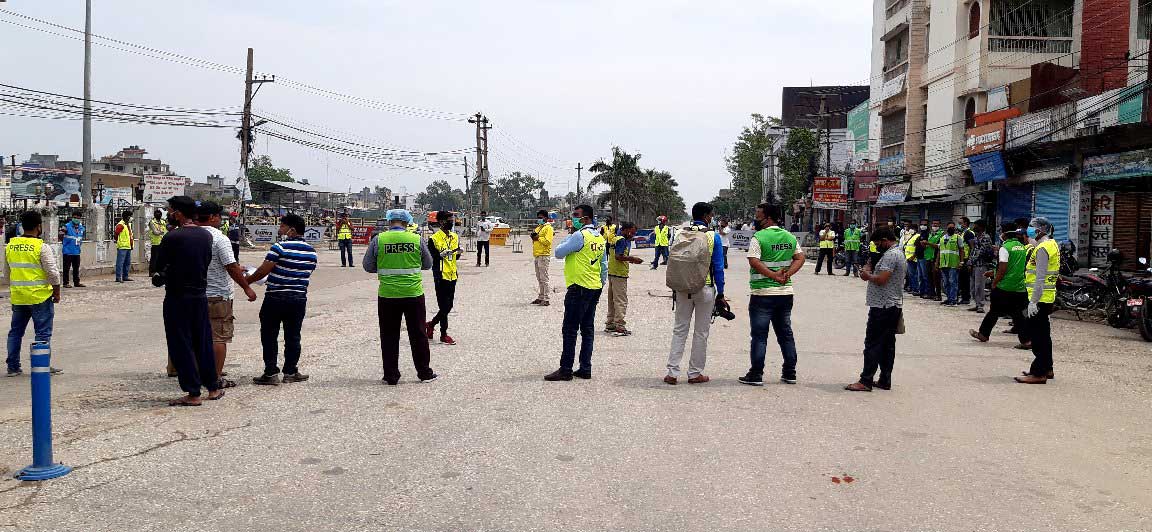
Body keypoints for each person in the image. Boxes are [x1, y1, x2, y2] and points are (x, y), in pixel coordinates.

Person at [154, 196, 222, 406]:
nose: (169, 213)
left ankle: (193, 392)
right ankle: (212, 387)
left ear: (178, 213)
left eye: (171, 210)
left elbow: (158, 269)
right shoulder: (206, 236)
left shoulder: (172, 237)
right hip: (200, 294)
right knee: (203, 341)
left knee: (181, 343)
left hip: (177, 296)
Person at [363, 209, 437, 385]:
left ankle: (391, 376)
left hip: (388, 295)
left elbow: (368, 266)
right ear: (407, 222)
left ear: (389, 221)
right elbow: (428, 265)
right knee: (418, 334)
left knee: (389, 335)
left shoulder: (378, 240)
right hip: (413, 294)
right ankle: (424, 373)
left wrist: (384, 267)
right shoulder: (416, 239)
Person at [245, 214, 317, 386]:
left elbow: (263, 270)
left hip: (275, 297)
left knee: (269, 335)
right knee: (293, 336)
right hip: (298, 298)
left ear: (292, 229)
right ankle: (290, 371)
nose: (280, 229)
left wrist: (246, 281)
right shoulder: (311, 251)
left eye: (283, 226)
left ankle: (270, 373)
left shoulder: (279, 247)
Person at [740, 203, 804, 386]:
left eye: (758, 215)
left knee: (760, 335)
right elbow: (800, 257)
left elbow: (753, 260)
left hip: (762, 294)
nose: (756, 218)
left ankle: (756, 374)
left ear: (768, 217)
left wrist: (772, 275)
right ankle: (790, 372)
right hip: (785, 293)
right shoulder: (789, 236)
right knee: (785, 333)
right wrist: (787, 274)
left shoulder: (759, 237)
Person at [195, 201, 258, 389]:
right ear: (213, 217)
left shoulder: (188, 235)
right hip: (218, 294)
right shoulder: (219, 238)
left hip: (195, 293)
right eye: (219, 216)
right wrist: (246, 287)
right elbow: (230, 266)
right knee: (218, 337)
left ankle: (198, 373)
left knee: (198, 336)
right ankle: (214, 379)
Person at [664, 202, 726, 385]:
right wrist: (721, 293)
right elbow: (718, 267)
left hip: (683, 288)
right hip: (705, 288)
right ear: (707, 216)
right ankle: (694, 373)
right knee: (701, 332)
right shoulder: (712, 236)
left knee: (679, 329)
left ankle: (672, 373)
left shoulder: (679, 233)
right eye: (711, 215)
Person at [544, 204, 607, 381]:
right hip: (594, 287)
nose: (574, 218)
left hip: (578, 287)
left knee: (570, 329)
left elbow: (558, 252)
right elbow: (604, 266)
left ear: (585, 218)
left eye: (576, 215)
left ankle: (566, 369)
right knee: (587, 330)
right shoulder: (599, 238)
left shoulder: (579, 236)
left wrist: (570, 235)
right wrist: (601, 285)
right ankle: (585, 367)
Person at [845, 226, 906, 392]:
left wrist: (867, 276)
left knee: (873, 343)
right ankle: (885, 379)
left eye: (878, 243)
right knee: (887, 345)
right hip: (891, 305)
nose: (877, 246)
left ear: (885, 240)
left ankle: (865, 380)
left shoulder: (891, 255)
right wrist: (870, 265)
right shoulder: (894, 253)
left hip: (883, 306)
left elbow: (881, 279)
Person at [5, 211, 63, 377]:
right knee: (42, 332)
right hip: (40, 297)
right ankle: (41, 365)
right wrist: (57, 292)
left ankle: (13, 367)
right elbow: (52, 273)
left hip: (18, 297)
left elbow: (7, 273)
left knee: (15, 332)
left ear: (22, 226)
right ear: (39, 227)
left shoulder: (10, 245)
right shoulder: (41, 247)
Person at [970, 224, 1031, 347]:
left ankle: (983, 334)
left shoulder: (1005, 247)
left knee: (994, 311)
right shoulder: (1022, 247)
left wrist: (995, 281)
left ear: (1004, 233)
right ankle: (1026, 341)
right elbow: (1015, 267)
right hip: (1019, 286)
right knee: (1019, 314)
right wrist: (993, 272)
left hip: (1004, 286)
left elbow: (1003, 268)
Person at [1015, 217, 1060, 384]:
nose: (1029, 230)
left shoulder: (1042, 248)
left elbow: (1040, 277)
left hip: (1039, 299)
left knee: (1038, 337)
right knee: (1044, 335)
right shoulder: (1052, 244)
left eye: (1032, 228)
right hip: (1046, 297)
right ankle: (1047, 368)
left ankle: (1038, 373)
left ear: (1041, 230)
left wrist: (1033, 302)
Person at [426, 211, 462, 346]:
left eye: (452, 219)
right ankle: (443, 334)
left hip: (452, 273)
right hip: (440, 274)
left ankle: (431, 324)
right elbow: (431, 258)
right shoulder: (434, 239)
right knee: (444, 306)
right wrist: (440, 254)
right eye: (449, 219)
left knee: (449, 305)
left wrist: (458, 253)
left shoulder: (454, 237)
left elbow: (455, 257)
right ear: (441, 222)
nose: (451, 222)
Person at [605, 222, 644, 336]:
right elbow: (618, 256)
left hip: (612, 272)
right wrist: (632, 258)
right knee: (621, 301)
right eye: (632, 232)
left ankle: (610, 323)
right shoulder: (622, 240)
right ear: (626, 230)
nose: (633, 235)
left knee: (612, 300)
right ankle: (620, 326)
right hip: (619, 274)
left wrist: (629, 259)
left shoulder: (615, 238)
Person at [966, 220, 994, 313]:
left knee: (979, 285)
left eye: (976, 225)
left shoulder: (985, 237)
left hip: (981, 264)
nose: (974, 227)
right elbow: (973, 250)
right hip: (974, 265)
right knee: (973, 286)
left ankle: (980, 305)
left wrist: (972, 261)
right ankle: (976, 303)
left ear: (981, 227)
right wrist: (970, 262)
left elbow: (981, 252)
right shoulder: (977, 237)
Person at [530, 210, 555, 306]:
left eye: (541, 217)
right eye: (538, 217)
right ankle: (541, 296)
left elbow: (547, 241)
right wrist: (533, 236)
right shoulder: (539, 227)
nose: (539, 219)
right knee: (539, 277)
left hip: (544, 255)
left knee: (544, 278)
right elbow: (535, 236)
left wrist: (538, 238)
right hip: (537, 254)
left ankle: (546, 298)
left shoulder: (548, 228)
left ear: (546, 218)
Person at [938, 222, 963, 306]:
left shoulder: (957, 237)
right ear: (947, 227)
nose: (951, 229)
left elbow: (961, 250)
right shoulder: (942, 238)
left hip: (953, 263)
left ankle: (953, 299)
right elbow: (939, 250)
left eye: (953, 227)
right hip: (943, 263)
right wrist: (936, 262)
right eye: (950, 227)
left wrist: (961, 262)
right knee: (946, 282)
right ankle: (949, 298)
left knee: (953, 282)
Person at [61, 210, 85, 288]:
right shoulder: (67, 226)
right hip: (67, 251)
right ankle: (65, 283)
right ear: (72, 218)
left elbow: (80, 238)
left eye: (78, 218)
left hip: (76, 251)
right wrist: (65, 243)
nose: (76, 219)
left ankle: (76, 282)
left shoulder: (81, 228)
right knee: (66, 268)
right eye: (75, 217)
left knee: (76, 268)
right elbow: (60, 234)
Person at [958, 217, 976, 305]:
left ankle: (966, 298)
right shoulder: (963, 233)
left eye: (960, 223)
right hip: (962, 259)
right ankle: (964, 297)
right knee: (962, 279)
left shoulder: (969, 233)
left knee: (965, 280)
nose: (959, 225)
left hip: (966, 259)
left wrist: (970, 260)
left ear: (965, 223)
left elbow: (972, 247)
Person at [114, 210, 135, 282]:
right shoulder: (120, 225)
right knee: (120, 263)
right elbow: (116, 234)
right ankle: (118, 277)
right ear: (127, 217)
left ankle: (125, 276)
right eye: (130, 216)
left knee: (127, 263)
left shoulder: (128, 224)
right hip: (122, 246)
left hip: (128, 246)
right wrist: (118, 241)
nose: (131, 218)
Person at [148, 209, 167, 276]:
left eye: (159, 214)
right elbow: (155, 232)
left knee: (161, 258)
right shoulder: (152, 222)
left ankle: (159, 271)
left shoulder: (163, 222)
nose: (158, 215)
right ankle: (152, 272)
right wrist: (161, 232)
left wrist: (161, 232)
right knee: (154, 258)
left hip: (162, 242)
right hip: (155, 242)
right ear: (154, 215)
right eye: (157, 214)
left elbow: (166, 231)